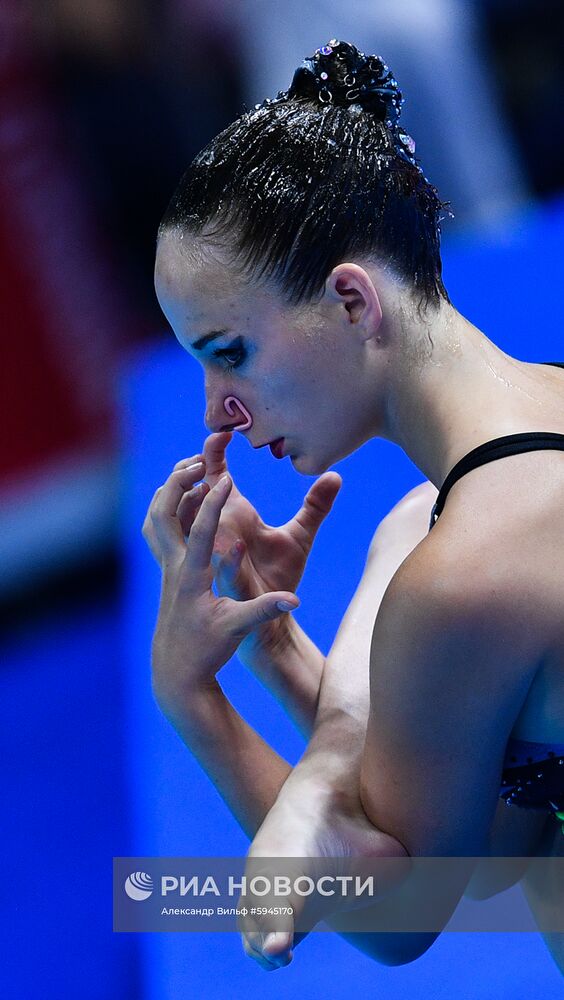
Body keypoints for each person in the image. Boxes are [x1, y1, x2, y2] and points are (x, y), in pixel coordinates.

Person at [144, 40, 564, 973]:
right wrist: (278, 647)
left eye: (231, 353)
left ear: (349, 301)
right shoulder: (455, 510)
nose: (218, 410)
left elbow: (401, 914)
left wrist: (192, 697)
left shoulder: (461, 571)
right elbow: (497, 842)